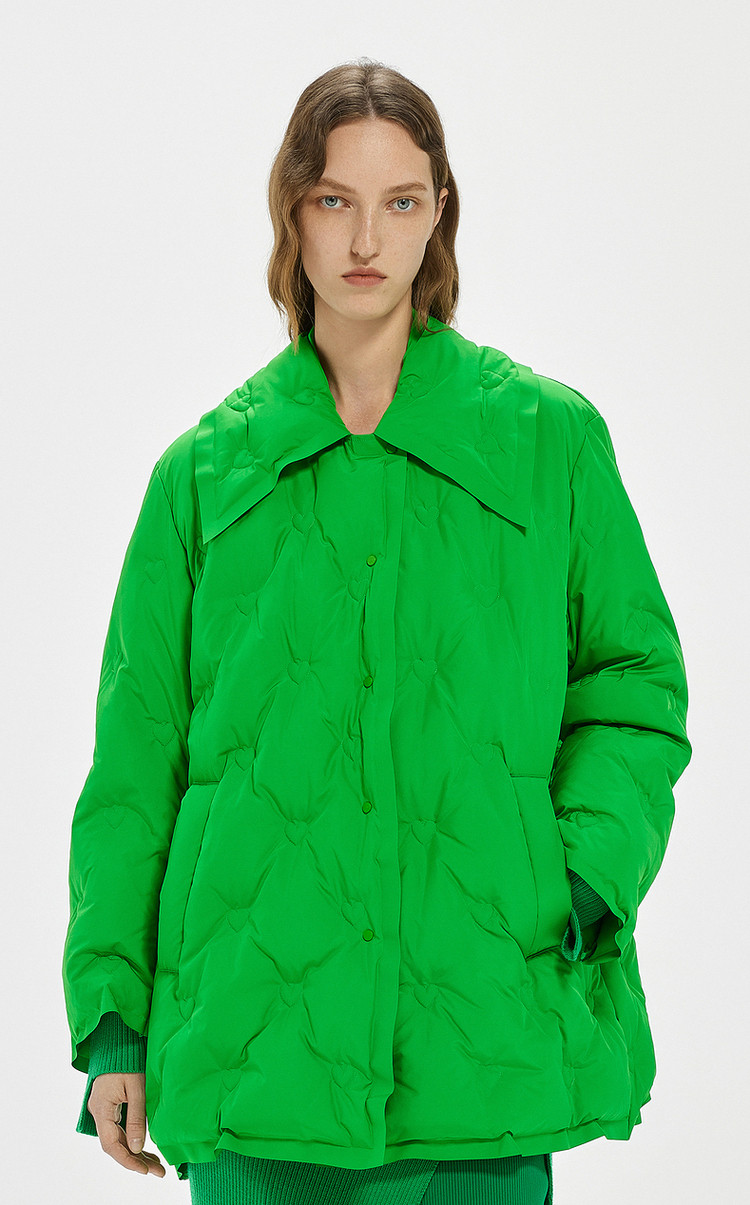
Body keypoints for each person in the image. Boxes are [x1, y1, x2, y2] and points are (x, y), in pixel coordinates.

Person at [62, 58, 692, 1205]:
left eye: (399, 201)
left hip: (485, 1031)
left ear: (438, 210)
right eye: (334, 199)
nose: (366, 239)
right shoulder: (202, 477)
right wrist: (114, 1020)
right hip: (252, 1043)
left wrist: (577, 877)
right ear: (291, 211)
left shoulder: (546, 441)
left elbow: (633, 684)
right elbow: (135, 766)